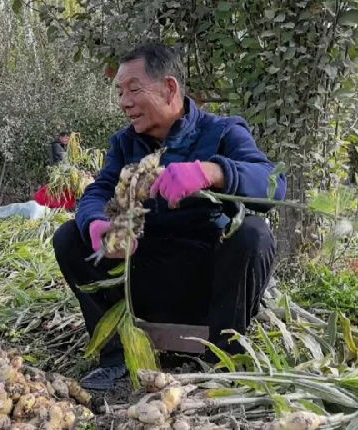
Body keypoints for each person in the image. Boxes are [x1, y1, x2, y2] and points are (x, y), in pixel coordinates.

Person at [52, 44, 286, 391]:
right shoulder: (124, 145)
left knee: (254, 233)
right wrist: (98, 225)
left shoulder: (223, 132)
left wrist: (212, 171)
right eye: (119, 92)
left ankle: (223, 360)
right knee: (70, 237)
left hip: (210, 286)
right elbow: (98, 192)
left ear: (170, 88)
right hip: (145, 277)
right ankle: (116, 358)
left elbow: (273, 185)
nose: (124, 102)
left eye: (133, 89)